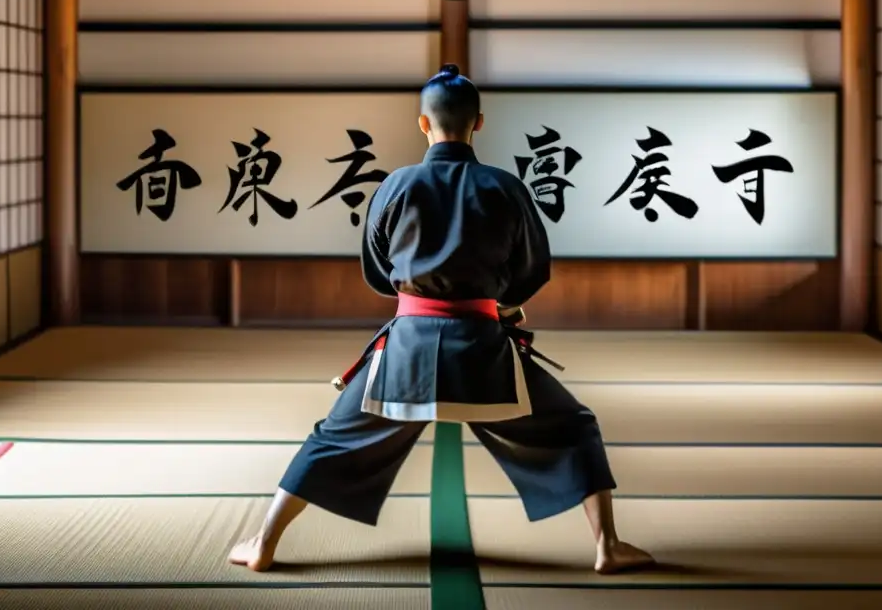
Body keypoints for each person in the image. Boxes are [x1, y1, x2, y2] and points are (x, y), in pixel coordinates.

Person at [228, 64, 655, 575]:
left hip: (406, 352)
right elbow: (532, 268)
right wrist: (503, 304)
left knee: (332, 436)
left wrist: (418, 291)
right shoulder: (504, 187)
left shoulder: (396, 186)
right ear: (478, 123)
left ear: (423, 124)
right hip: (484, 351)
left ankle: (264, 542)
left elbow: (378, 270)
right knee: (573, 426)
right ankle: (607, 544)